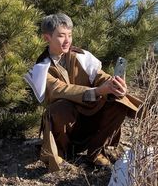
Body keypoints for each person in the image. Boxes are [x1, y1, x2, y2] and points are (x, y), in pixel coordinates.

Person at [25, 13, 142, 171]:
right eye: (61, 36)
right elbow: (61, 90)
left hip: (91, 120)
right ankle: (61, 153)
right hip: (67, 128)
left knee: (118, 101)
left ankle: (96, 152)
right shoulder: (41, 68)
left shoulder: (82, 57)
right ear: (47, 38)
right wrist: (98, 91)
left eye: (70, 35)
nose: (67, 40)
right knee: (59, 109)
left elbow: (100, 76)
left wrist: (114, 85)